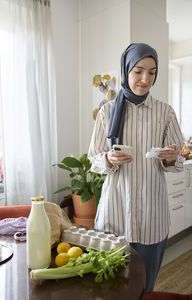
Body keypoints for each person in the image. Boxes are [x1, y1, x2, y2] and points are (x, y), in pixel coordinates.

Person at [88, 43, 184, 291]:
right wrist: (108, 159)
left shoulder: (166, 113)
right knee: (112, 286)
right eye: (138, 70)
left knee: (145, 287)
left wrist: (170, 157)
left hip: (152, 217)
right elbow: (93, 159)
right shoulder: (107, 112)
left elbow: (177, 161)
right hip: (115, 215)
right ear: (126, 69)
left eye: (152, 72)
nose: (145, 79)